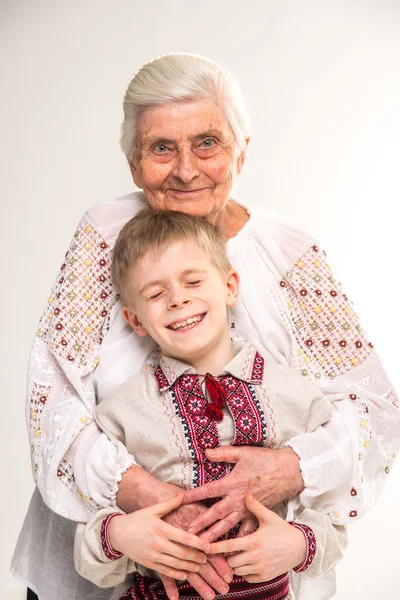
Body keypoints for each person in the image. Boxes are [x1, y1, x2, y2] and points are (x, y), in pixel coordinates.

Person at [11, 53, 399, 600]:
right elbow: (50, 398)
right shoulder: (106, 236)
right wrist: (147, 505)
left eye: (208, 142)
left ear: (243, 149)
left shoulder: (290, 252)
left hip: (262, 575)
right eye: (162, 148)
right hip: (107, 570)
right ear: (132, 162)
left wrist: (285, 473)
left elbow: (373, 410)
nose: (187, 169)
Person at [74, 208, 346, 600]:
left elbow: (334, 517)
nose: (178, 299)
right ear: (135, 320)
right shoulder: (121, 412)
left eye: (193, 280)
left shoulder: (296, 396)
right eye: (155, 293)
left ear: (230, 286)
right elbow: (90, 561)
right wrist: (118, 535)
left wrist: (299, 545)